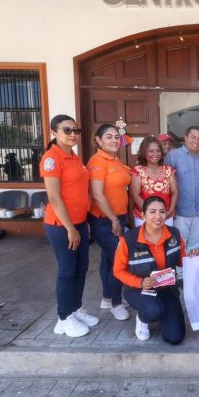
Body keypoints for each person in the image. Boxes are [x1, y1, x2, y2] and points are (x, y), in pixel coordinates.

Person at [41, 114, 97, 338]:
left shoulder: (75, 157)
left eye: (76, 130)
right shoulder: (51, 159)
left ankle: (75, 308)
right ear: (54, 132)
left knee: (82, 268)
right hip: (61, 225)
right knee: (67, 271)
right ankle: (64, 317)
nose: (73, 134)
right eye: (67, 130)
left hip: (80, 223)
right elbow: (54, 198)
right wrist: (71, 229)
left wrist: (83, 224)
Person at [114, 196, 188, 344]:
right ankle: (143, 319)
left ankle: (162, 311)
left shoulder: (174, 234)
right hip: (138, 289)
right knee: (153, 311)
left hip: (166, 288)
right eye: (152, 212)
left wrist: (191, 259)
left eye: (162, 211)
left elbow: (182, 260)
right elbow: (118, 270)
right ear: (143, 215)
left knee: (175, 338)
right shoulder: (129, 239)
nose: (158, 216)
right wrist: (140, 282)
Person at [87, 124, 131, 321]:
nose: (114, 140)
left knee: (108, 259)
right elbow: (97, 195)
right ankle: (116, 303)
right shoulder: (97, 161)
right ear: (98, 140)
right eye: (108, 137)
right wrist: (114, 220)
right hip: (104, 220)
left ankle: (107, 298)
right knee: (118, 259)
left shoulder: (115, 160)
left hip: (118, 218)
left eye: (116, 137)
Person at [164, 126, 199, 254]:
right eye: (193, 137)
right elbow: (165, 184)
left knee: (194, 247)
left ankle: (191, 273)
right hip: (180, 212)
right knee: (178, 246)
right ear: (186, 138)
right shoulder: (173, 156)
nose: (196, 141)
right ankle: (180, 274)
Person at [130, 136, 178, 227]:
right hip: (144, 217)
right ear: (144, 153)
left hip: (166, 216)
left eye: (158, 150)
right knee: (144, 241)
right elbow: (134, 195)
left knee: (165, 241)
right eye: (151, 151)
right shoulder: (137, 171)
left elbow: (174, 191)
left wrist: (171, 210)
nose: (155, 154)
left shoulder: (168, 170)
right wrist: (152, 213)